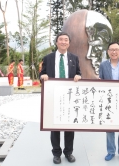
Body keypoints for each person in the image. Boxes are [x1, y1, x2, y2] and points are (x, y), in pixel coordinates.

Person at [39, 32, 81, 164]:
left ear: (69, 43)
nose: (63, 42)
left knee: (69, 126)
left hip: (69, 96)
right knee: (54, 126)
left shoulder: (74, 58)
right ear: (57, 42)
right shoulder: (48, 58)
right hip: (53, 96)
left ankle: (68, 152)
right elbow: (42, 73)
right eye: (61, 40)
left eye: (66, 40)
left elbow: (78, 73)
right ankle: (56, 153)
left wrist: (79, 77)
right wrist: (43, 76)